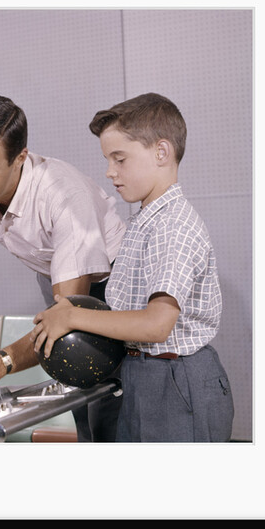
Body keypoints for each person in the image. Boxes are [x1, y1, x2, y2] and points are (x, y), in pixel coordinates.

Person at [31, 93, 234, 442]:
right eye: (108, 159)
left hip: (176, 381)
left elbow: (156, 325)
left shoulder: (173, 226)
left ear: (161, 152)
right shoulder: (146, 220)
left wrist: (71, 316)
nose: (110, 172)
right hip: (143, 376)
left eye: (119, 159)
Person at [0, 93, 126, 441]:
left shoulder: (65, 197)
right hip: (56, 276)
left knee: (107, 409)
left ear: (20, 159)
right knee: (77, 399)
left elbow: (65, 321)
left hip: (115, 284)